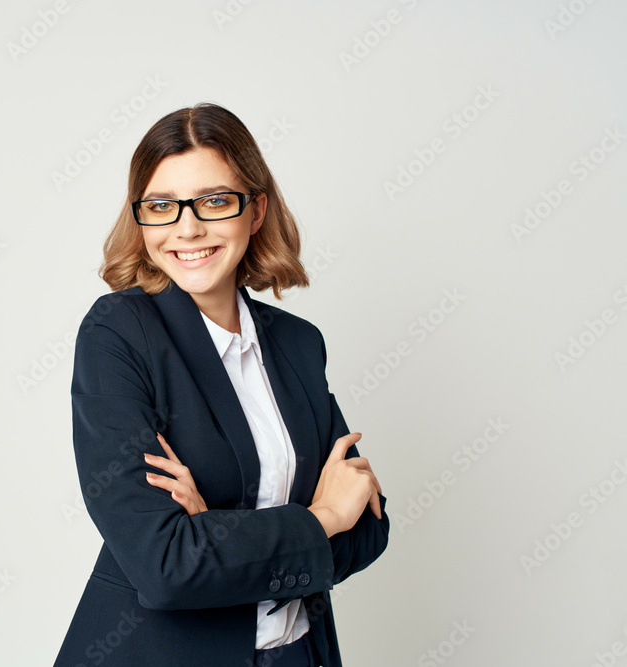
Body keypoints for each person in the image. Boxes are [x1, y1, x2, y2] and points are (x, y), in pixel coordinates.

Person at [54, 102, 390, 667]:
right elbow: (164, 567)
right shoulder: (118, 333)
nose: (187, 228)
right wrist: (323, 517)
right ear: (141, 219)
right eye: (161, 206)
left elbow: (371, 529)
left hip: (299, 654)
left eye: (214, 201)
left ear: (255, 211)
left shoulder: (298, 343)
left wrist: (213, 529)